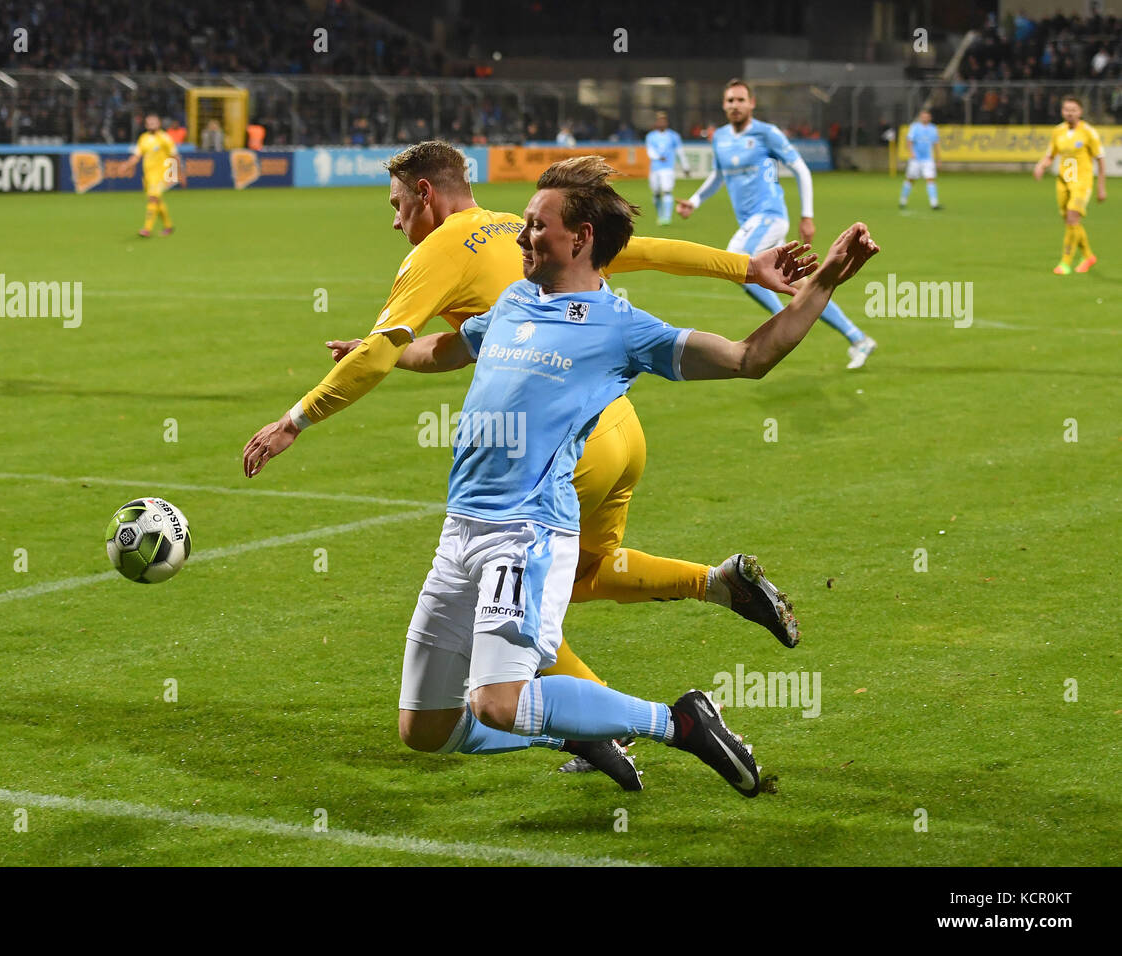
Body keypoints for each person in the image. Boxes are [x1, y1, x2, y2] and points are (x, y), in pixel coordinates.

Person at [268, 156, 878, 797]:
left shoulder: (621, 327)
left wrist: (826, 281)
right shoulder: (514, 299)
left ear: (580, 239)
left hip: (525, 532)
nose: (522, 237)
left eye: (536, 227)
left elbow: (749, 357)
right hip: (461, 531)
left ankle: (678, 722)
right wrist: (380, 353)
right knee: (425, 729)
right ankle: (577, 726)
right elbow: (448, 347)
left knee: (498, 701)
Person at [677, 79, 878, 370]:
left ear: (751, 103)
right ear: (724, 104)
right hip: (753, 225)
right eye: (730, 101)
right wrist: (694, 201)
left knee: (737, 260)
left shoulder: (766, 133)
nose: (735, 105)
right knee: (803, 288)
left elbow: (800, 169)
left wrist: (806, 214)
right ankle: (858, 338)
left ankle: (781, 324)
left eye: (740, 100)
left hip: (770, 216)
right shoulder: (719, 137)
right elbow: (718, 175)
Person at [1033, 95, 1106, 274]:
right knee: (1070, 222)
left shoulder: (1088, 132)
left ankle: (1065, 262)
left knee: (1073, 217)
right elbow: (1051, 154)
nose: (1070, 113)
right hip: (1064, 181)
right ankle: (1088, 255)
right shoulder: (1058, 131)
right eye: (1066, 110)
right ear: (1062, 111)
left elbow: (1100, 159)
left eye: (1073, 110)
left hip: (1082, 182)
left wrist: (1101, 187)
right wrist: (1041, 165)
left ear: (1080, 112)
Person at [120, 114, 186, 238]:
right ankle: (168, 226)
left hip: (162, 173)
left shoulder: (165, 138)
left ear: (159, 124)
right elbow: (137, 156)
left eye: (154, 122)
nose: (152, 125)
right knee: (157, 200)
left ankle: (147, 229)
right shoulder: (143, 138)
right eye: (149, 123)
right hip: (148, 175)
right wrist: (127, 165)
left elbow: (175, 156)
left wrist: (179, 174)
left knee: (153, 198)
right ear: (146, 125)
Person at [644, 111, 682, 226]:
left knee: (667, 191)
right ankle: (660, 215)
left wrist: (685, 166)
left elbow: (680, 152)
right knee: (656, 193)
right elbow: (649, 151)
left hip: (668, 169)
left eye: (663, 120)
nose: (661, 122)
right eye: (659, 120)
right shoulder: (650, 136)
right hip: (655, 168)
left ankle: (667, 217)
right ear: (656, 123)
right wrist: (658, 157)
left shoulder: (674, 136)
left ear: (667, 122)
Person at [900, 109, 942, 210]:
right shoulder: (915, 127)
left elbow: (936, 144)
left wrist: (938, 158)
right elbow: (909, 140)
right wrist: (911, 152)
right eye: (923, 116)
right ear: (920, 117)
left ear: (930, 117)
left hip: (928, 159)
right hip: (915, 159)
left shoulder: (933, 129)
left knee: (930, 179)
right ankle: (903, 200)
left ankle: (934, 203)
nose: (925, 118)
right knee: (911, 179)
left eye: (926, 116)